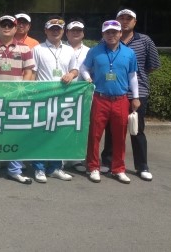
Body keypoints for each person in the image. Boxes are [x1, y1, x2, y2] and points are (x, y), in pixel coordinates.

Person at [101, 9, 160, 181]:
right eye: (122, 18)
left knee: (136, 129)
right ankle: (108, 162)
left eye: (129, 18)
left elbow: (153, 65)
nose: (125, 21)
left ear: (135, 22)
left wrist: (136, 80)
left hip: (137, 92)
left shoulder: (145, 40)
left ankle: (142, 166)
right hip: (113, 92)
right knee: (111, 130)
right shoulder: (107, 39)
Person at [80, 20, 140, 184]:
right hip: (100, 98)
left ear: (120, 33)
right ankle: (93, 167)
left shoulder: (129, 53)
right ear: (103, 34)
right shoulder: (95, 51)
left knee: (119, 136)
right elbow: (84, 68)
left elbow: (132, 76)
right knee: (94, 135)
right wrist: (88, 78)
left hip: (121, 99)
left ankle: (118, 169)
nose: (111, 35)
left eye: (114, 32)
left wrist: (135, 97)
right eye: (107, 32)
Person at [0, 15, 34, 186]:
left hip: (16, 99)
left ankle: (15, 170)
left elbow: (29, 72)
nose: (7, 28)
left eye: (10, 25)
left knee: (15, 134)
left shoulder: (24, 48)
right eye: (3, 25)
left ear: (16, 29)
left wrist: (20, 90)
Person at [31, 17, 78, 183]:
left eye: (58, 29)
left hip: (63, 98)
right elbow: (33, 73)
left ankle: (55, 167)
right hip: (43, 98)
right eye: (52, 29)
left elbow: (75, 70)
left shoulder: (69, 50)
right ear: (46, 31)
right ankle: (39, 168)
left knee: (59, 134)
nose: (55, 31)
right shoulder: (38, 49)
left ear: (63, 31)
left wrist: (71, 75)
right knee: (40, 134)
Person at [64, 18, 90, 173]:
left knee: (78, 127)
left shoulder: (90, 51)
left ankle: (75, 158)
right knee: (60, 126)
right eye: (72, 30)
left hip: (82, 95)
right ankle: (59, 157)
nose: (76, 33)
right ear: (66, 33)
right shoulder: (60, 48)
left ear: (83, 33)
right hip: (62, 94)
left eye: (79, 30)